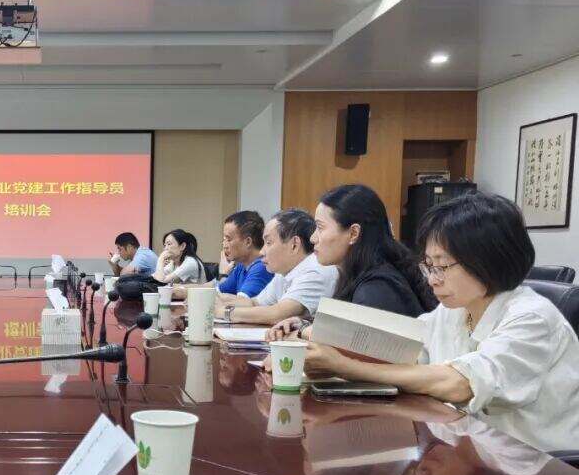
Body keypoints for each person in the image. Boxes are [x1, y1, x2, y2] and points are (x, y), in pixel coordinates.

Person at [298, 192, 579, 453]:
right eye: (429, 266)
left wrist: (343, 366)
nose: (433, 279)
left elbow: (459, 384)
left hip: (538, 468)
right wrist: (319, 339)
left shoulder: (533, 318)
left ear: (489, 259)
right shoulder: (454, 310)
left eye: (442, 266)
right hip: (470, 450)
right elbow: (405, 351)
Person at [268, 184, 436, 339]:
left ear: (353, 233)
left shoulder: (377, 289)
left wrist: (302, 332)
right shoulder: (357, 275)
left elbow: (352, 347)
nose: (313, 238)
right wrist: (304, 323)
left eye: (320, 228)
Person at [221, 209, 337, 325]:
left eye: (268, 243)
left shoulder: (315, 271)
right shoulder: (285, 271)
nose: (261, 252)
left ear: (294, 245)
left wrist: (223, 312)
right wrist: (217, 301)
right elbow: (254, 303)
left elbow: (276, 314)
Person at [216, 210, 272, 298]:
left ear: (248, 242)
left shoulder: (262, 267)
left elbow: (241, 301)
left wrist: (223, 274)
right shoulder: (241, 266)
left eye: (228, 239)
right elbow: (217, 291)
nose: (224, 245)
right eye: (224, 240)